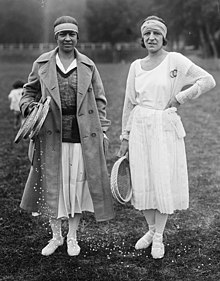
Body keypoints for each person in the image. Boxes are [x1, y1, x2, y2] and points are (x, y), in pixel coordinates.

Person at [117, 15, 216, 259]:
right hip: (140, 126)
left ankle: (159, 236)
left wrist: (180, 97)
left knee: (161, 179)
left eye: (156, 34)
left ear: (164, 37)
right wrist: (125, 137)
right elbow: (129, 104)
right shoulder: (135, 66)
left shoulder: (175, 60)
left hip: (163, 126)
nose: (151, 38)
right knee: (143, 180)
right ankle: (150, 230)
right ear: (142, 38)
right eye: (147, 34)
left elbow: (208, 80)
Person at [19, 16, 114, 257]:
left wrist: (102, 131)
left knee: (76, 189)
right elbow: (28, 91)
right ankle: (56, 236)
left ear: (77, 37)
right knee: (54, 186)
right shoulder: (42, 63)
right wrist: (29, 107)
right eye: (63, 34)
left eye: (72, 34)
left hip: (83, 136)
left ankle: (72, 237)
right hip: (51, 136)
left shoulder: (88, 66)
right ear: (56, 37)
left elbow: (100, 101)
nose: (67, 38)